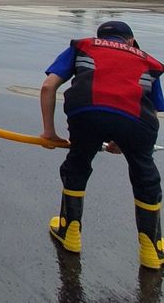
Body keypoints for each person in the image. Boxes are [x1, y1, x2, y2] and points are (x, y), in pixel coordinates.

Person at [40, 21, 164, 269]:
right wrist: (124, 139)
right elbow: (153, 105)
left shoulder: (83, 46)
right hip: (135, 122)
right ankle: (152, 248)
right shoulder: (147, 60)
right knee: (145, 175)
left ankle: (70, 231)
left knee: (78, 164)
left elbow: (48, 87)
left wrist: (49, 133)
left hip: (86, 113)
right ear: (130, 41)